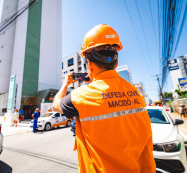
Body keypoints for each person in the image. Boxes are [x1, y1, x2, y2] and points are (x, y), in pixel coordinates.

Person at [52, 24, 155, 172]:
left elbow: (56, 105)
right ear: (116, 62)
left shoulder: (81, 95)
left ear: (89, 63)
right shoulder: (136, 93)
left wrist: (65, 84)